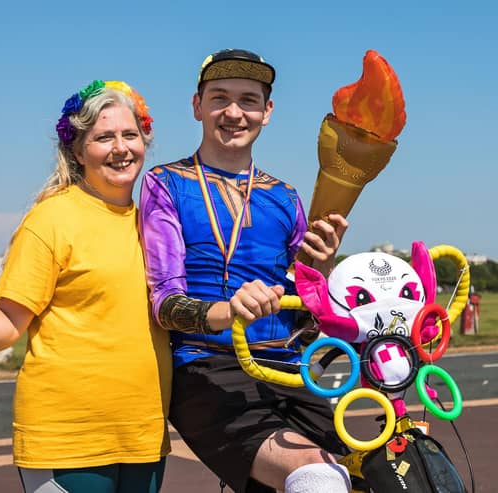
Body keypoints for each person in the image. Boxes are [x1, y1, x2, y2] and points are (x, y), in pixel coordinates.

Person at [0, 80, 172, 493]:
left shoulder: (158, 222)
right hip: (65, 438)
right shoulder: (51, 220)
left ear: (145, 142)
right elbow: (8, 318)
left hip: (144, 436)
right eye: (103, 137)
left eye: (130, 135)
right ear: (78, 151)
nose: (120, 147)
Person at [139, 49, 351, 493]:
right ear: (197, 106)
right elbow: (165, 303)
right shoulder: (166, 183)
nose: (234, 113)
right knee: (317, 475)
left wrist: (323, 264)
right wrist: (228, 311)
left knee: (378, 467)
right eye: (220, 98)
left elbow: (306, 305)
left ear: (267, 112)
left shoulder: (285, 195)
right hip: (204, 366)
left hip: (289, 369)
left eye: (248, 100)